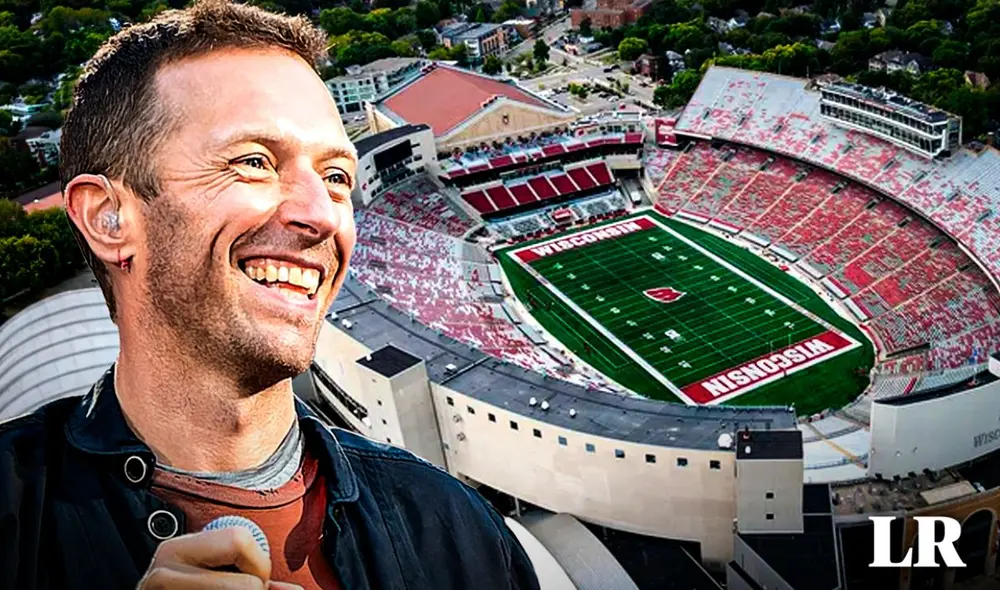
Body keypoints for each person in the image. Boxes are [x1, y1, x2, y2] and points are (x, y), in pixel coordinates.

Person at [0, 1, 540, 589]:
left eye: (336, 177)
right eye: (254, 163)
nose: (321, 215)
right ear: (110, 219)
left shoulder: (458, 530)